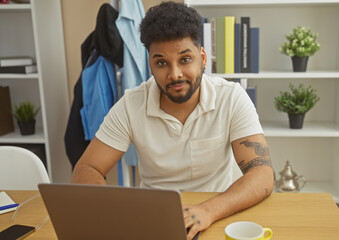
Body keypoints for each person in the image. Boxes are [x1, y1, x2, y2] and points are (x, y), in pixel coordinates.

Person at [71, 2, 274, 239]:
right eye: (161, 63)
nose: (174, 74)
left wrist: (208, 210)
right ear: (150, 65)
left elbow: (262, 174)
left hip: (219, 214)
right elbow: (87, 168)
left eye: (185, 59)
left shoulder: (231, 97)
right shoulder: (131, 105)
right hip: (151, 221)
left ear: (203, 58)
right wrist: (113, 210)